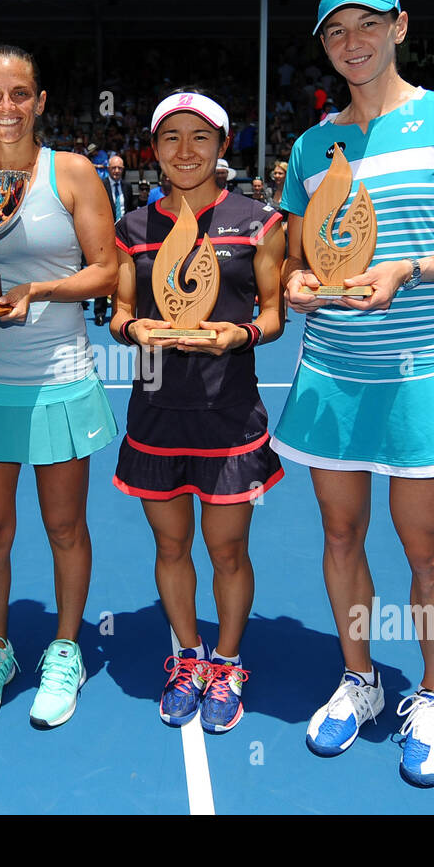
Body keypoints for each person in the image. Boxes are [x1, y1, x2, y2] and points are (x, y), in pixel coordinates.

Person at [274, 0, 434, 787]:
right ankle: (359, 679)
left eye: (367, 25)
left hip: (424, 375)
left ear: (400, 26)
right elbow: (305, 261)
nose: (353, 41)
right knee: (340, 536)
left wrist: (413, 268)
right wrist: (298, 285)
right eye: (337, 31)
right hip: (334, 374)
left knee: (427, 547)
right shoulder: (311, 148)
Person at [0, 45, 118, 729]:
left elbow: (107, 271)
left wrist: (40, 288)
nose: (6, 106)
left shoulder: (71, 172)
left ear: (39, 101)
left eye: (20, 94)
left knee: (64, 526)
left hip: (60, 381)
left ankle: (65, 648)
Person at [111, 90, 286, 734]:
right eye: (171, 138)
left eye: (200, 137)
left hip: (228, 414)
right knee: (170, 543)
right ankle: (188, 656)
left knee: (228, 550)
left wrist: (242, 335)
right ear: (154, 150)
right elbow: (118, 315)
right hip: (156, 412)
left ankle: (229, 662)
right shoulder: (131, 228)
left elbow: (273, 314)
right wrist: (135, 333)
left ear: (222, 146)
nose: (186, 151)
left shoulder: (259, 221)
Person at [97, 154, 130, 325]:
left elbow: (130, 212)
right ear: (108, 168)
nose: (117, 171)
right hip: (104, 235)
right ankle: (100, 312)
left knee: (125, 273)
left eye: (120, 168)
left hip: (125, 236)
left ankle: (122, 311)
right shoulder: (100, 186)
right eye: (114, 168)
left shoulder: (127, 187)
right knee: (104, 272)